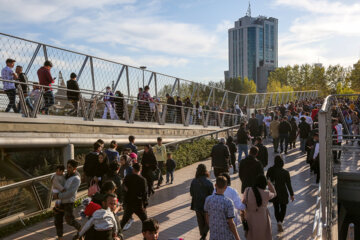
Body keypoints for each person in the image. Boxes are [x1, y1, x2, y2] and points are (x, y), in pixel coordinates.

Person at [53, 159, 82, 240]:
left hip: (68, 202)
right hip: (60, 201)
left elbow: (70, 193)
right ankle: (60, 237)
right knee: (57, 219)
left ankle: (80, 229)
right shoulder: (66, 175)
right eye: (67, 167)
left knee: (69, 221)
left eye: (70, 167)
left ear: (74, 168)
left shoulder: (76, 179)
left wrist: (58, 195)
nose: (67, 169)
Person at [242, 175, 276, 240]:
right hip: (263, 218)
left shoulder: (247, 190)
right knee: (263, 235)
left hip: (250, 218)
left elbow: (243, 202)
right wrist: (269, 182)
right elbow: (274, 193)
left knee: (251, 236)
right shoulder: (266, 193)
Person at [266, 156, 295, 232]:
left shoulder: (270, 170)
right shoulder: (285, 172)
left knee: (276, 208)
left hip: (274, 192)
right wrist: (292, 194)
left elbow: (267, 180)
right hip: (283, 192)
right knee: (283, 208)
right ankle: (280, 222)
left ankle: (278, 221)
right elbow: (288, 184)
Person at [190, 164, 214, 240]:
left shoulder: (194, 181)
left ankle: (203, 236)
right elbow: (212, 195)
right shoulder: (209, 183)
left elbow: (191, 193)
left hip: (197, 205)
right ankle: (204, 235)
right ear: (205, 171)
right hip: (206, 206)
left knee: (200, 221)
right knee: (208, 221)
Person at [121, 163, 148, 229]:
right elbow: (145, 193)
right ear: (140, 170)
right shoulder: (143, 180)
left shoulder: (128, 177)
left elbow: (124, 187)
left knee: (123, 221)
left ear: (133, 169)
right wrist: (145, 205)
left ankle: (116, 234)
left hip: (129, 203)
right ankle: (147, 233)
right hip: (138, 203)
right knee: (145, 221)